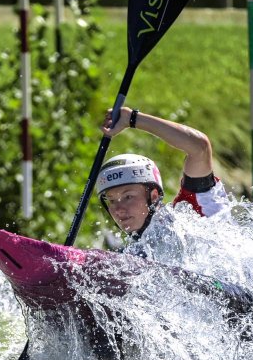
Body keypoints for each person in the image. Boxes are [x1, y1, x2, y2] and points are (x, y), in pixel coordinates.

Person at [96, 106, 229, 252]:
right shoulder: (133, 252)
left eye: (128, 196)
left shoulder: (192, 212)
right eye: (112, 201)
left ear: (153, 196)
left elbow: (199, 148)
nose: (119, 210)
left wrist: (132, 118)